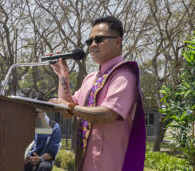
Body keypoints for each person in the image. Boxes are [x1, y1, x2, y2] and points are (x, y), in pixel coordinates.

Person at [49, 16, 146, 171]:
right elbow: (67, 112)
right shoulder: (90, 78)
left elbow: (108, 114)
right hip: (86, 164)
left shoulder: (124, 76)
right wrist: (63, 75)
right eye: (90, 41)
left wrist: (72, 108)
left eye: (99, 39)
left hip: (111, 164)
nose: (92, 45)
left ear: (118, 42)